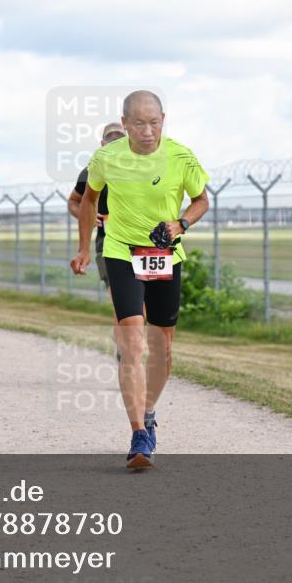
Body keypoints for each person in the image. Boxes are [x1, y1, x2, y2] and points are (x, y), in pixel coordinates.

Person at [70, 90, 210, 469]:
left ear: (164, 118)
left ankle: (148, 413)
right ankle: (137, 434)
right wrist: (85, 248)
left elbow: (201, 200)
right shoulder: (106, 158)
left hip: (166, 255)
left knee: (162, 348)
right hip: (121, 251)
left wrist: (181, 223)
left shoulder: (181, 155)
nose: (147, 131)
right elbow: (86, 200)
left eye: (154, 122)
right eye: (139, 123)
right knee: (132, 342)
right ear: (125, 122)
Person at [68, 122, 125, 290]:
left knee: (144, 308)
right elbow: (73, 202)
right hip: (107, 244)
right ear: (103, 144)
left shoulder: (141, 168)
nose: (115, 142)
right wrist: (87, 215)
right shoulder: (90, 172)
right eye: (110, 138)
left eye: (120, 138)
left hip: (139, 244)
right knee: (123, 306)